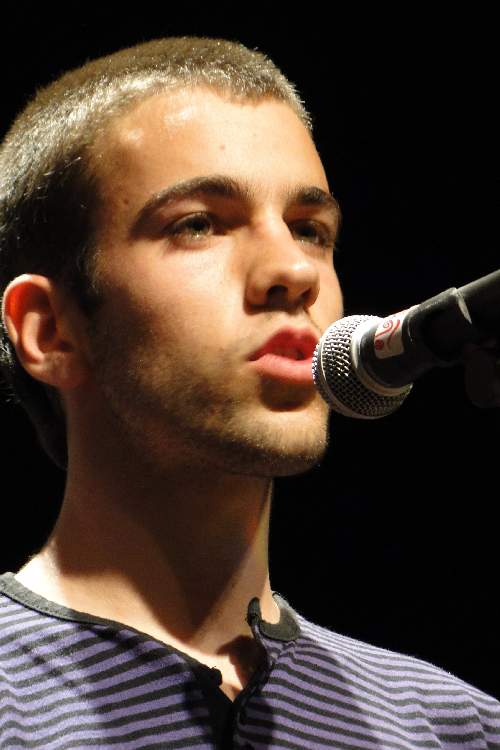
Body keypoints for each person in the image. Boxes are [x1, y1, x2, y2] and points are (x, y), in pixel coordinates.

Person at [0, 36, 498, 749]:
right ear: (51, 331)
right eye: (198, 224)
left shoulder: (456, 728)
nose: (293, 270)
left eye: (310, 230)